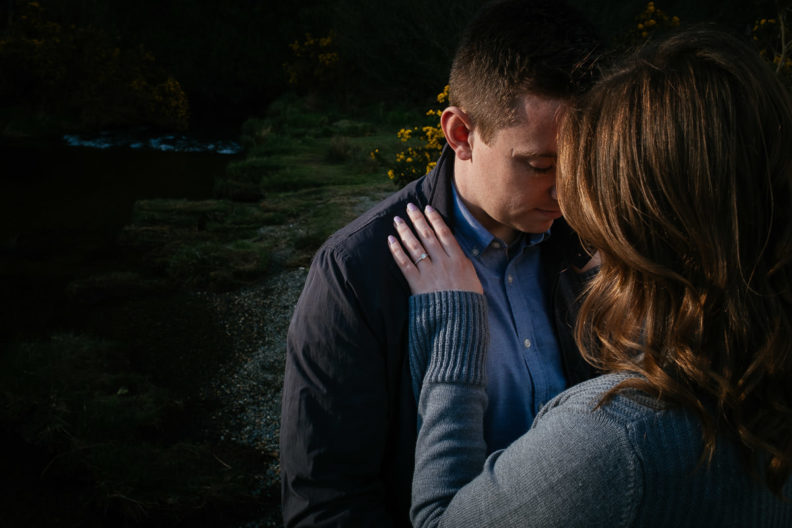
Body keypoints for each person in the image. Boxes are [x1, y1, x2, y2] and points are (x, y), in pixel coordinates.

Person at [388, 28, 792, 526]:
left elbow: (437, 522)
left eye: (582, 188)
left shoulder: (611, 443)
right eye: (542, 166)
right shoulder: (763, 379)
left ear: (637, 230)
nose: (568, 208)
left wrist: (456, 332)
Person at [279, 0, 601, 525]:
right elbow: (327, 503)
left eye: (583, 161)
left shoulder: (592, 240)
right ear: (460, 134)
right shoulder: (357, 272)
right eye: (541, 165)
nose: (569, 189)